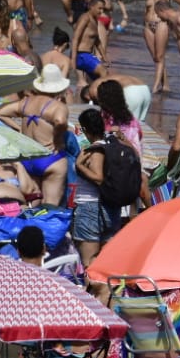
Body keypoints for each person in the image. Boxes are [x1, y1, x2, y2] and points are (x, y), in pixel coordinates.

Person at [0, 65, 71, 206]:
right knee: (50, 204)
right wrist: (57, 140)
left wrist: (18, 128)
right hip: (50, 157)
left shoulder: (26, 102)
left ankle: (29, 226)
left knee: (31, 202)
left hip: (28, 158)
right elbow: (60, 121)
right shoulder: (57, 106)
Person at [72, 108, 122, 269]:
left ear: (85, 130)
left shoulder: (94, 150)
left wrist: (79, 165)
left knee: (89, 265)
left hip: (90, 209)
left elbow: (98, 176)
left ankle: (92, 295)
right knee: (107, 265)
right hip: (112, 209)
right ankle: (108, 294)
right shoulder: (113, 146)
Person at [143, 0, 180, 94]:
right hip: (147, 26)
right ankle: (165, 85)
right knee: (155, 58)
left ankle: (155, 86)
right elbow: (147, 8)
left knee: (160, 56)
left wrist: (173, 17)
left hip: (161, 24)